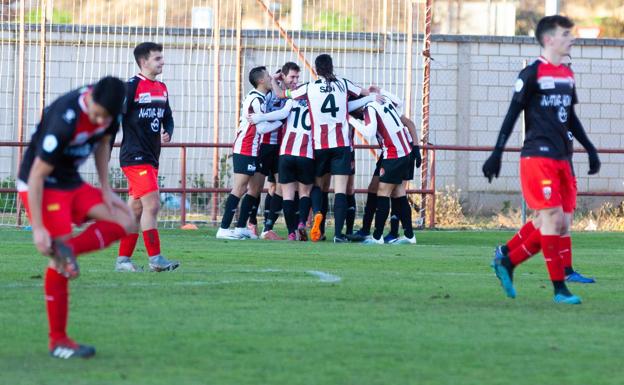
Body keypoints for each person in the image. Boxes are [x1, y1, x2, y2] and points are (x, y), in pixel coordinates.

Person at [482, 15, 600, 304]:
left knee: (559, 222)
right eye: (565, 35)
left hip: (561, 158)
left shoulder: (567, 76)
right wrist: (496, 153)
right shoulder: (532, 74)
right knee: (551, 218)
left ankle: (508, 262)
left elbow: (570, 117)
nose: (571, 39)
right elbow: (512, 115)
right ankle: (560, 289)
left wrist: (590, 148)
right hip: (537, 157)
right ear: (549, 39)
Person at [17, 76, 137, 358]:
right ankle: (57, 341)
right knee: (58, 266)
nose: (98, 120)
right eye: (96, 113)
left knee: (127, 221)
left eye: (104, 117)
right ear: (90, 97)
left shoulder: (110, 115)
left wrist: (106, 188)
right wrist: (37, 228)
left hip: (70, 181)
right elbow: (35, 175)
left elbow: (104, 143)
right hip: (42, 186)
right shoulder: (64, 119)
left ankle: (67, 249)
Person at [495, 54, 595, 284]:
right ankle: (511, 257)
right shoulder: (540, 91)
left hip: (564, 166)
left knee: (558, 222)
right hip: (545, 166)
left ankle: (507, 254)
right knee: (550, 220)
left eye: (569, 64)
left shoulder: (564, 96)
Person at [273, 54, 370, 242]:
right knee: (340, 190)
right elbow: (364, 93)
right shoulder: (343, 83)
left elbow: (280, 94)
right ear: (332, 67)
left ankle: (321, 227)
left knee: (319, 187)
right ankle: (339, 235)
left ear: (316, 69)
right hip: (341, 145)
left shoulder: (309, 88)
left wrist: (273, 80)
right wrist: (374, 93)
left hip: (320, 146)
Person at [115, 42, 179, 272]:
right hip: (134, 157)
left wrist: (168, 131)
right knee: (152, 204)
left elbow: (167, 117)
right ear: (144, 62)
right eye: (158, 58)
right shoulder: (130, 87)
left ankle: (123, 261)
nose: (162, 62)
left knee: (136, 210)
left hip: (151, 157)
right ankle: (156, 259)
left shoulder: (162, 88)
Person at [216, 66, 283, 239]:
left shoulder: (259, 96)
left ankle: (240, 227)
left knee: (252, 188)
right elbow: (261, 128)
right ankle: (223, 229)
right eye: (268, 76)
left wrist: (274, 78)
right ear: (261, 80)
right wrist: (282, 121)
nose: (271, 78)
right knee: (239, 187)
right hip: (245, 147)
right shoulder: (256, 99)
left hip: (254, 148)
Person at [348, 92, 417, 244]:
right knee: (398, 192)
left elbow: (369, 132)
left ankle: (377, 237)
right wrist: (380, 90)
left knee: (383, 192)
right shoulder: (382, 100)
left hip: (394, 153)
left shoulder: (369, 108)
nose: (360, 117)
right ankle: (410, 235)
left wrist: (350, 119)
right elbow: (398, 101)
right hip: (404, 150)